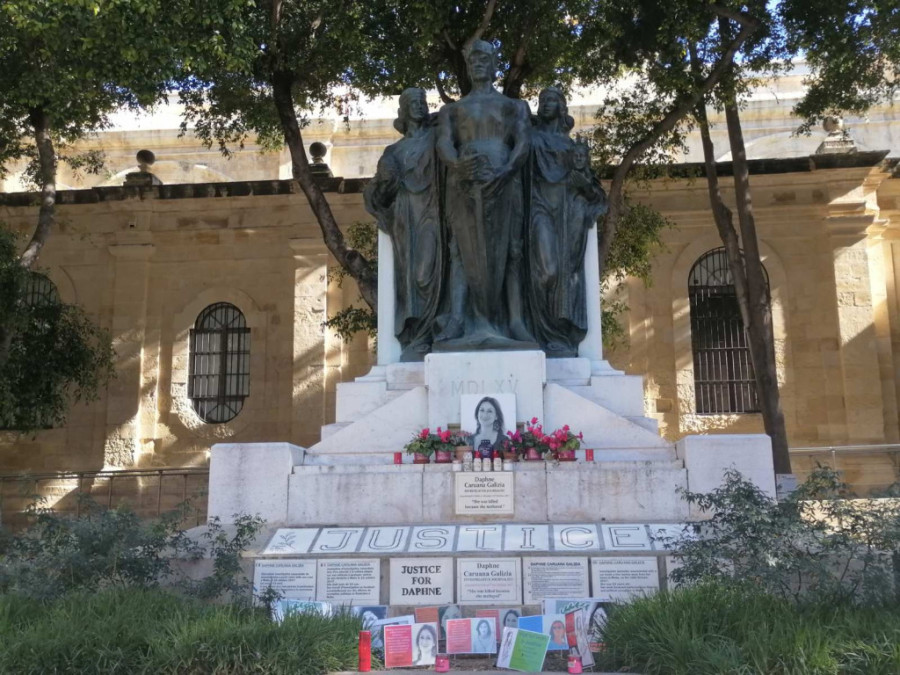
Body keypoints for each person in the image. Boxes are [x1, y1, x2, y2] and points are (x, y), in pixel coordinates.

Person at [435, 39, 535, 350]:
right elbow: (444, 144)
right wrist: (457, 165)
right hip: (464, 182)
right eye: (473, 59)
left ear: (494, 65)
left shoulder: (513, 107)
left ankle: (515, 320)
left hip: (504, 181)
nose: (478, 63)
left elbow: (523, 143)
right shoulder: (452, 110)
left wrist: (506, 171)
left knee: (512, 250)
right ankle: (458, 319)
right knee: (460, 250)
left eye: (484, 58)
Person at [364, 87, 443, 361]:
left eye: (422, 102)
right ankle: (417, 336)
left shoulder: (437, 138)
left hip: (433, 213)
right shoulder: (393, 151)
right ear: (404, 112)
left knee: (427, 273)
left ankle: (435, 329)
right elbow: (378, 194)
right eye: (413, 103)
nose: (420, 106)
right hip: (404, 218)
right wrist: (386, 181)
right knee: (410, 276)